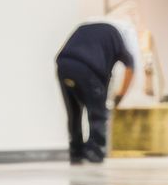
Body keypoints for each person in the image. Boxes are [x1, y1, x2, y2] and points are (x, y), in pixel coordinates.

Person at [57, 16, 141, 164]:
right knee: (98, 113)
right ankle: (95, 152)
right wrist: (120, 95)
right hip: (87, 68)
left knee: (74, 113)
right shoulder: (116, 35)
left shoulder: (85, 28)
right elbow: (130, 66)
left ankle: (76, 152)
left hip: (64, 65)